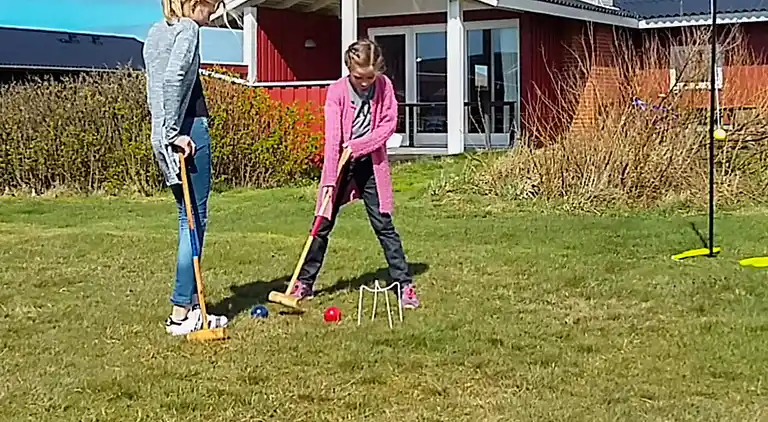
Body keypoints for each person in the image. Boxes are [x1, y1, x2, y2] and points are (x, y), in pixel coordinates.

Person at [290, 38, 421, 309]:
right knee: (322, 223)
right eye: (359, 76)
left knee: (383, 223)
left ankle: (404, 284)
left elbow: (388, 126)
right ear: (349, 69)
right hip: (340, 162)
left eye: (370, 76)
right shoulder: (337, 91)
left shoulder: (384, 87)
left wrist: (359, 146)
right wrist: (329, 181)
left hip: (370, 162)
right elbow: (332, 138)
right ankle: (304, 282)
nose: (365, 82)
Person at [143, 0, 229, 335]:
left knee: (186, 217)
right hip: (189, 131)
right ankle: (182, 311)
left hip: (170, 133)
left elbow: (157, 86)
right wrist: (174, 135)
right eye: (212, 7)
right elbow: (173, 79)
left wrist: (163, 135)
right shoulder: (189, 29)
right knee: (194, 219)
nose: (213, 16)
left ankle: (191, 307)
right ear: (196, 3)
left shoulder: (155, 32)